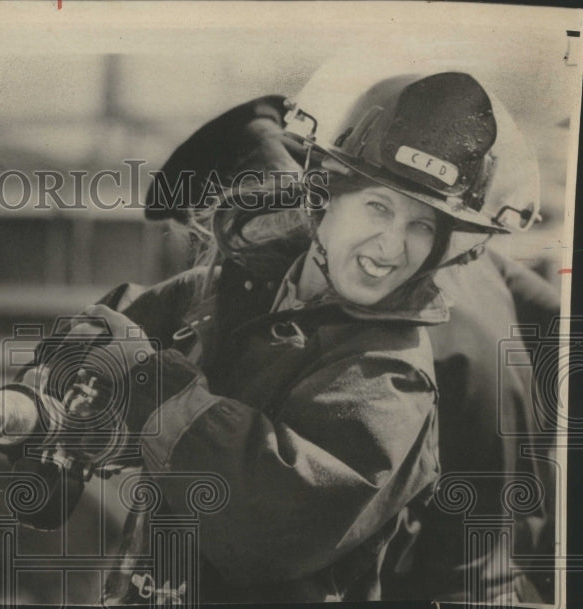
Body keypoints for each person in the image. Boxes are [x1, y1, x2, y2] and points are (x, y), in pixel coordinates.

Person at [118, 71, 553, 603]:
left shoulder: (392, 332)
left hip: (464, 552)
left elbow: (279, 515)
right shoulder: (435, 248)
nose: (231, 249)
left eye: (246, 224)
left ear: (313, 196)